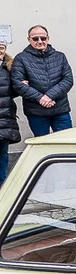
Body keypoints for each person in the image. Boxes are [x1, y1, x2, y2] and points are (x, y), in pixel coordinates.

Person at [11, 25, 74, 136]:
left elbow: (68, 80)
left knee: (65, 142)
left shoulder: (60, 56)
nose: (40, 41)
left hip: (60, 109)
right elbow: (18, 84)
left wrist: (49, 96)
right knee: (42, 143)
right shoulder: (21, 59)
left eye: (43, 38)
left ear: (48, 38)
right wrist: (40, 98)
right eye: (35, 38)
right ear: (29, 39)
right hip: (36, 112)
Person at [0, 42, 20, 186]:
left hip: (5, 116)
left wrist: (21, 84)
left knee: (2, 154)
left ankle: (2, 185)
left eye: (1, 47)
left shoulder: (10, 67)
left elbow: (14, 91)